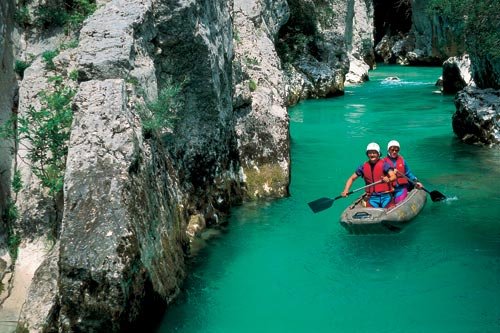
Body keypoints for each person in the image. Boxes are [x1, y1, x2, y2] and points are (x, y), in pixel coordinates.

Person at [341, 142, 396, 208]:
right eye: (370, 153)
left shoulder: (384, 165)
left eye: (374, 152)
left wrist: (388, 179)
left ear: (378, 154)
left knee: (390, 208)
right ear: (367, 154)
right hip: (372, 197)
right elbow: (352, 178)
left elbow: (393, 176)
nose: (372, 154)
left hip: (386, 195)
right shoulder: (363, 167)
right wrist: (346, 190)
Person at [384, 140, 423, 204]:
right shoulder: (383, 162)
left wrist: (416, 181)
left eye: (396, 150)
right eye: (392, 150)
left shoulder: (402, 161)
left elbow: (408, 173)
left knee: (399, 201)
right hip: (388, 188)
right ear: (388, 150)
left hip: (401, 188)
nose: (394, 152)